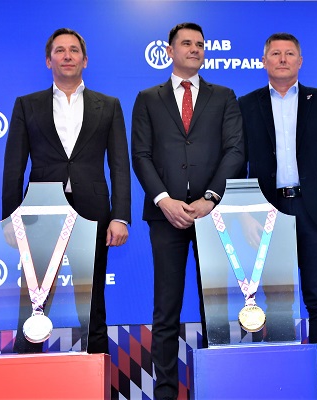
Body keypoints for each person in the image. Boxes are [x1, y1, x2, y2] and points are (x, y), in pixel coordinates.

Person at [131, 22, 244, 400]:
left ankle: (216, 388)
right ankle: (165, 392)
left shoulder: (224, 96)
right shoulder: (148, 98)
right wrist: (164, 200)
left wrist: (210, 198)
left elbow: (235, 151)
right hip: (165, 216)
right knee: (166, 309)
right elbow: (140, 155)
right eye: (186, 43)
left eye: (199, 44)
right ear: (170, 51)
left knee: (214, 306)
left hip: (212, 215)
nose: (194, 49)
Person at [2, 28, 131, 355]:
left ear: (85, 60)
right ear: (49, 61)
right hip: (40, 212)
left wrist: (120, 217)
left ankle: (98, 370)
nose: (67, 56)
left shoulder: (109, 105)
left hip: (94, 212)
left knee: (93, 300)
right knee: (34, 299)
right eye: (60, 50)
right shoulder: (27, 105)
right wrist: (11, 218)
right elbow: (14, 166)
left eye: (74, 50)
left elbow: (119, 164)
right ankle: (26, 370)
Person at [238, 32, 317, 400]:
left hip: (314, 211)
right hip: (268, 212)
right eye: (275, 53)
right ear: (264, 61)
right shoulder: (246, 104)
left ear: (300, 61)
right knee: (277, 302)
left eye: (289, 54)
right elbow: (238, 164)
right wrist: (246, 214)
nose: (282, 59)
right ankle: (283, 384)